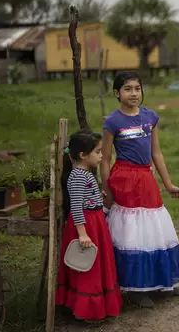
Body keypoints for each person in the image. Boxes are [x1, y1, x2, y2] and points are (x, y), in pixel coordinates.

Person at [101, 71, 179, 309]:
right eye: (127, 89)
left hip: (146, 179)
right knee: (132, 234)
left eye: (137, 88)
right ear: (117, 93)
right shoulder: (112, 122)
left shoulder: (150, 118)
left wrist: (168, 184)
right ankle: (136, 289)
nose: (133, 93)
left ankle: (166, 282)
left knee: (155, 231)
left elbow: (156, 153)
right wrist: (107, 189)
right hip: (124, 181)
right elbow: (105, 159)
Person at [56, 129, 123, 323]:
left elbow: (84, 198)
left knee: (96, 264)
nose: (102, 155)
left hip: (95, 221)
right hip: (86, 225)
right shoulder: (77, 176)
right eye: (98, 152)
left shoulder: (85, 172)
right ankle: (88, 311)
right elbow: (76, 207)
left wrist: (96, 196)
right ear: (83, 155)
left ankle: (94, 307)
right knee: (88, 267)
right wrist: (82, 234)